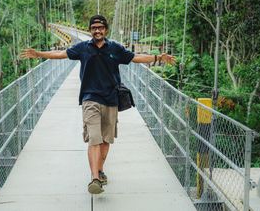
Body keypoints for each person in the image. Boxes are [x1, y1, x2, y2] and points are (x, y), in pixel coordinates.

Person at [20, 15, 175, 194]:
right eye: (94, 28)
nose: (97, 30)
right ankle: (94, 178)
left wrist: (158, 58)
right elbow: (61, 54)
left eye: (100, 27)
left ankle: (100, 171)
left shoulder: (115, 48)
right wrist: (38, 54)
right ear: (90, 30)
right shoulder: (83, 48)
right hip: (90, 98)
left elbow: (135, 57)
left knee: (105, 140)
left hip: (111, 99)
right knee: (94, 138)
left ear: (105, 30)